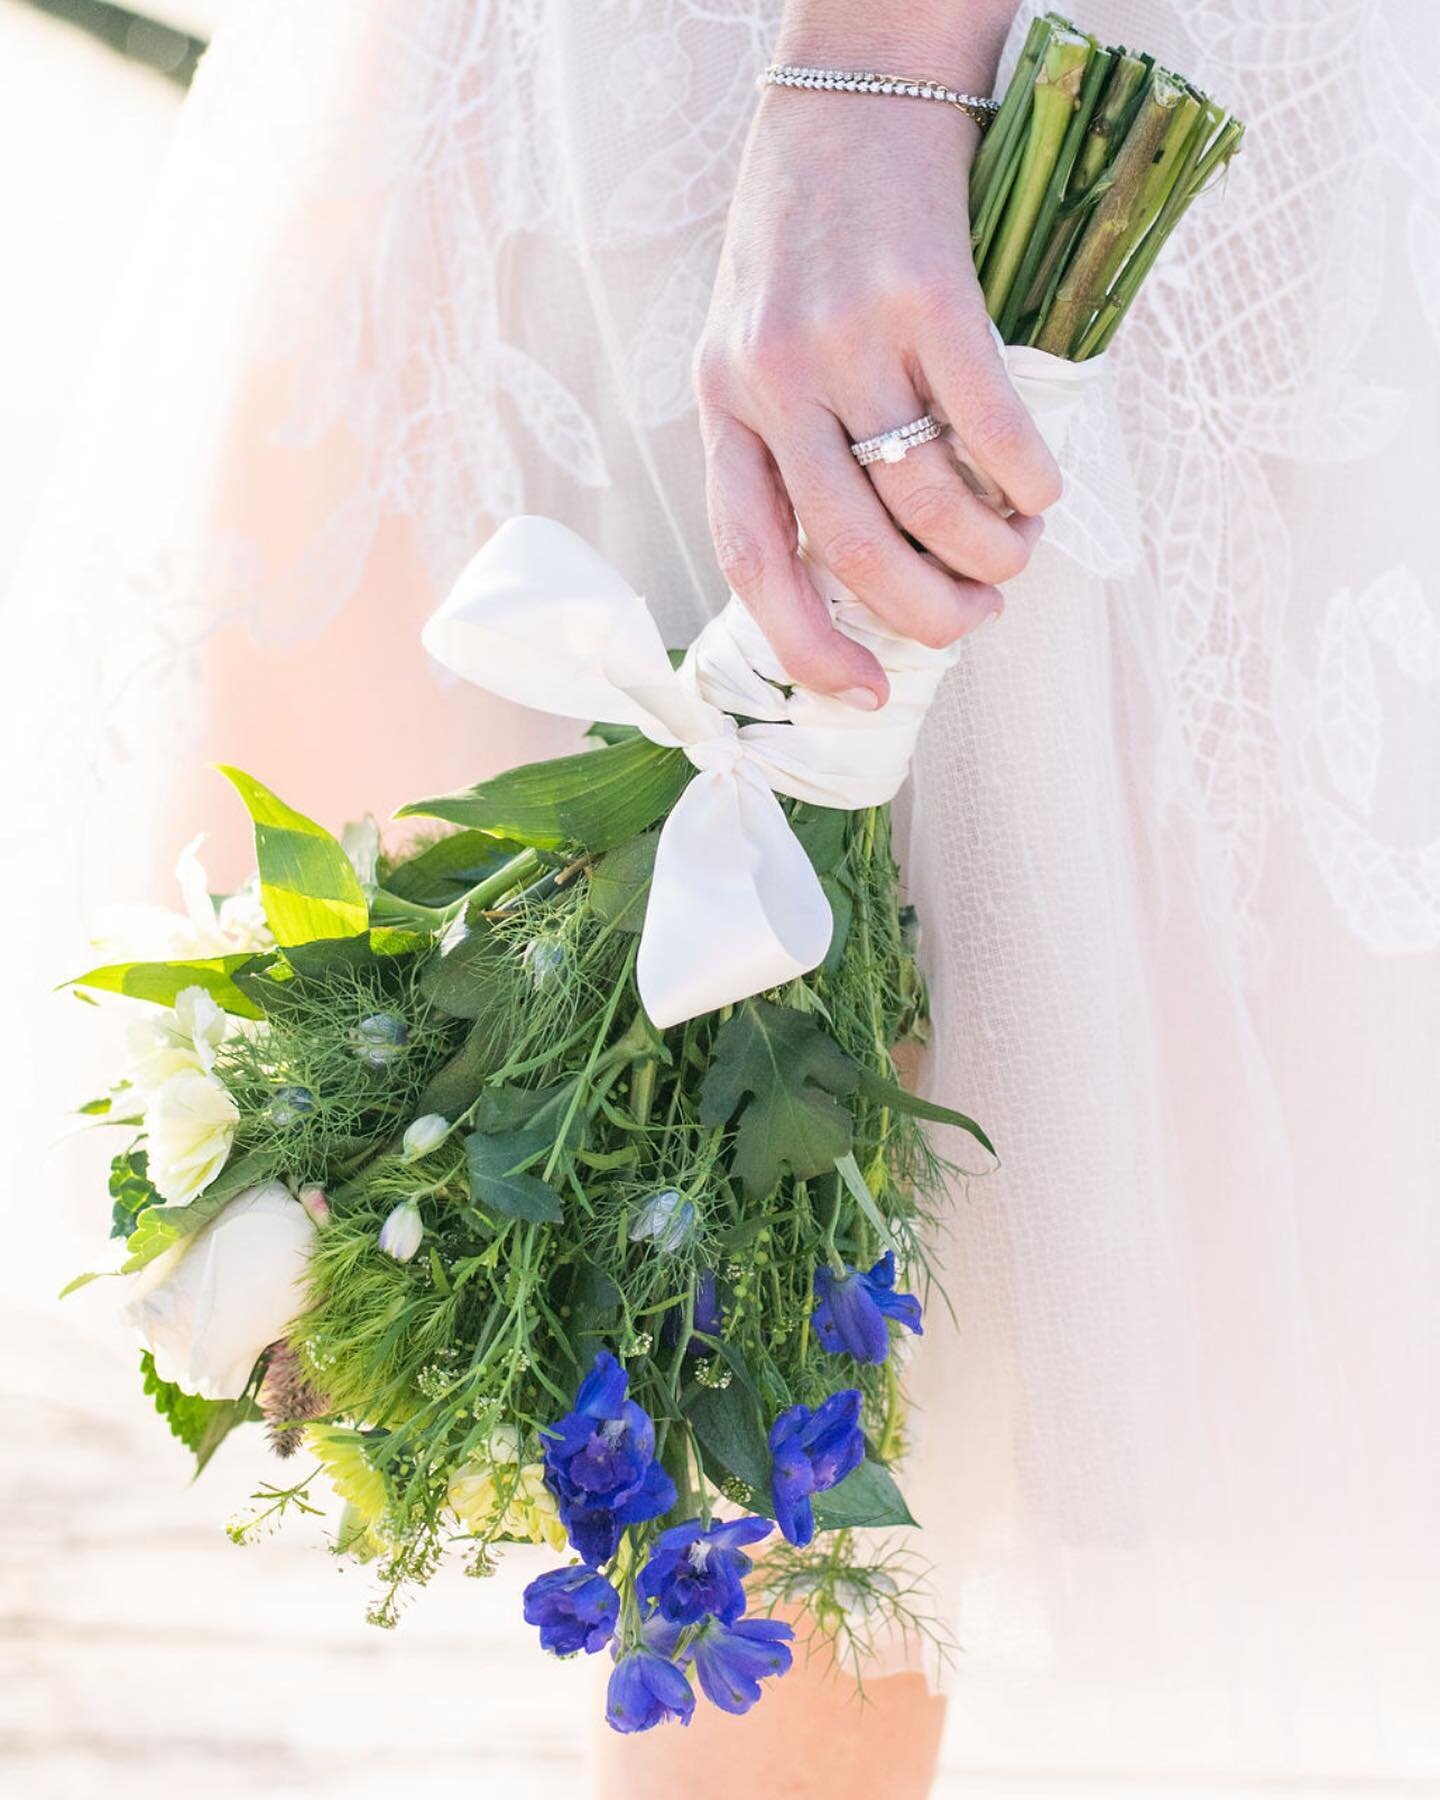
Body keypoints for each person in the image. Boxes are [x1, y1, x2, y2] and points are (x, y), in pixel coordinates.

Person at [10, 2, 1438, 1795]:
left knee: (827, 1276)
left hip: (851, 90)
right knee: (779, 1313)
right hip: (655, 80)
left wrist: (875, 87)